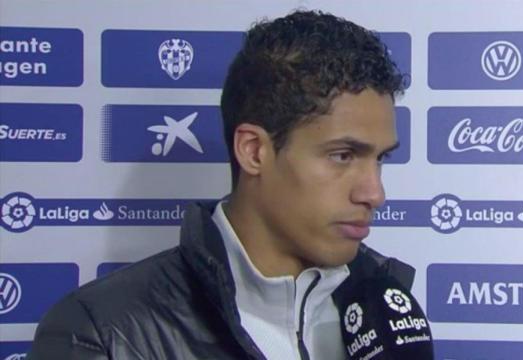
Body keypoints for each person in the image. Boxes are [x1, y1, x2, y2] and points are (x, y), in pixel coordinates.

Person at [29, 10, 429, 359]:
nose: (375, 194)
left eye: (380, 158)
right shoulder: (103, 334)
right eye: (342, 156)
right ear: (254, 151)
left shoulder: (386, 314)